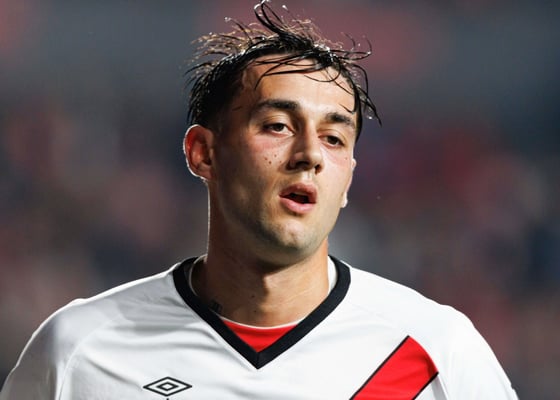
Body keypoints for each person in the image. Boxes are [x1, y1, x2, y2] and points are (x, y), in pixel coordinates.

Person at [1, 1, 518, 399]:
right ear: (203, 153)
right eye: (277, 126)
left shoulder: (437, 352)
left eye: (334, 138)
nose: (310, 154)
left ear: (349, 177)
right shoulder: (79, 351)